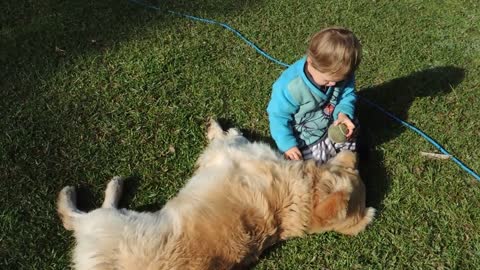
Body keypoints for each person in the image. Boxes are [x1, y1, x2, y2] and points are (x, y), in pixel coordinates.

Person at [267, 26, 361, 164]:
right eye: (327, 80)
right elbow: (277, 116)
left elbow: (347, 94)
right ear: (310, 61)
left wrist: (343, 114)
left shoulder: (341, 74)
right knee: (315, 165)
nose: (332, 85)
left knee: (352, 127)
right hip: (305, 136)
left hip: (331, 123)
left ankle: (344, 155)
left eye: (338, 81)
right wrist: (288, 145)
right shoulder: (291, 87)